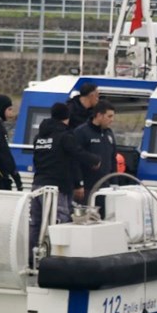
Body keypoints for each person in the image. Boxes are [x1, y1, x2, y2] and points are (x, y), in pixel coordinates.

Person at [29, 102, 101, 243]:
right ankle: (57, 258)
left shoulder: (39, 137)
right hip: (56, 188)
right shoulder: (65, 136)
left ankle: (31, 257)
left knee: (35, 223)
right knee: (60, 220)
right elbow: (77, 153)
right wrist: (95, 160)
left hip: (37, 186)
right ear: (67, 117)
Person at [74, 100, 119, 197]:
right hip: (87, 187)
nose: (112, 120)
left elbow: (113, 159)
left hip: (106, 187)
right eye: (109, 116)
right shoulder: (82, 132)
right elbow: (74, 159)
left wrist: (115, 182)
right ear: (99, 115)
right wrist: (78, 184)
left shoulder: (109, 133)